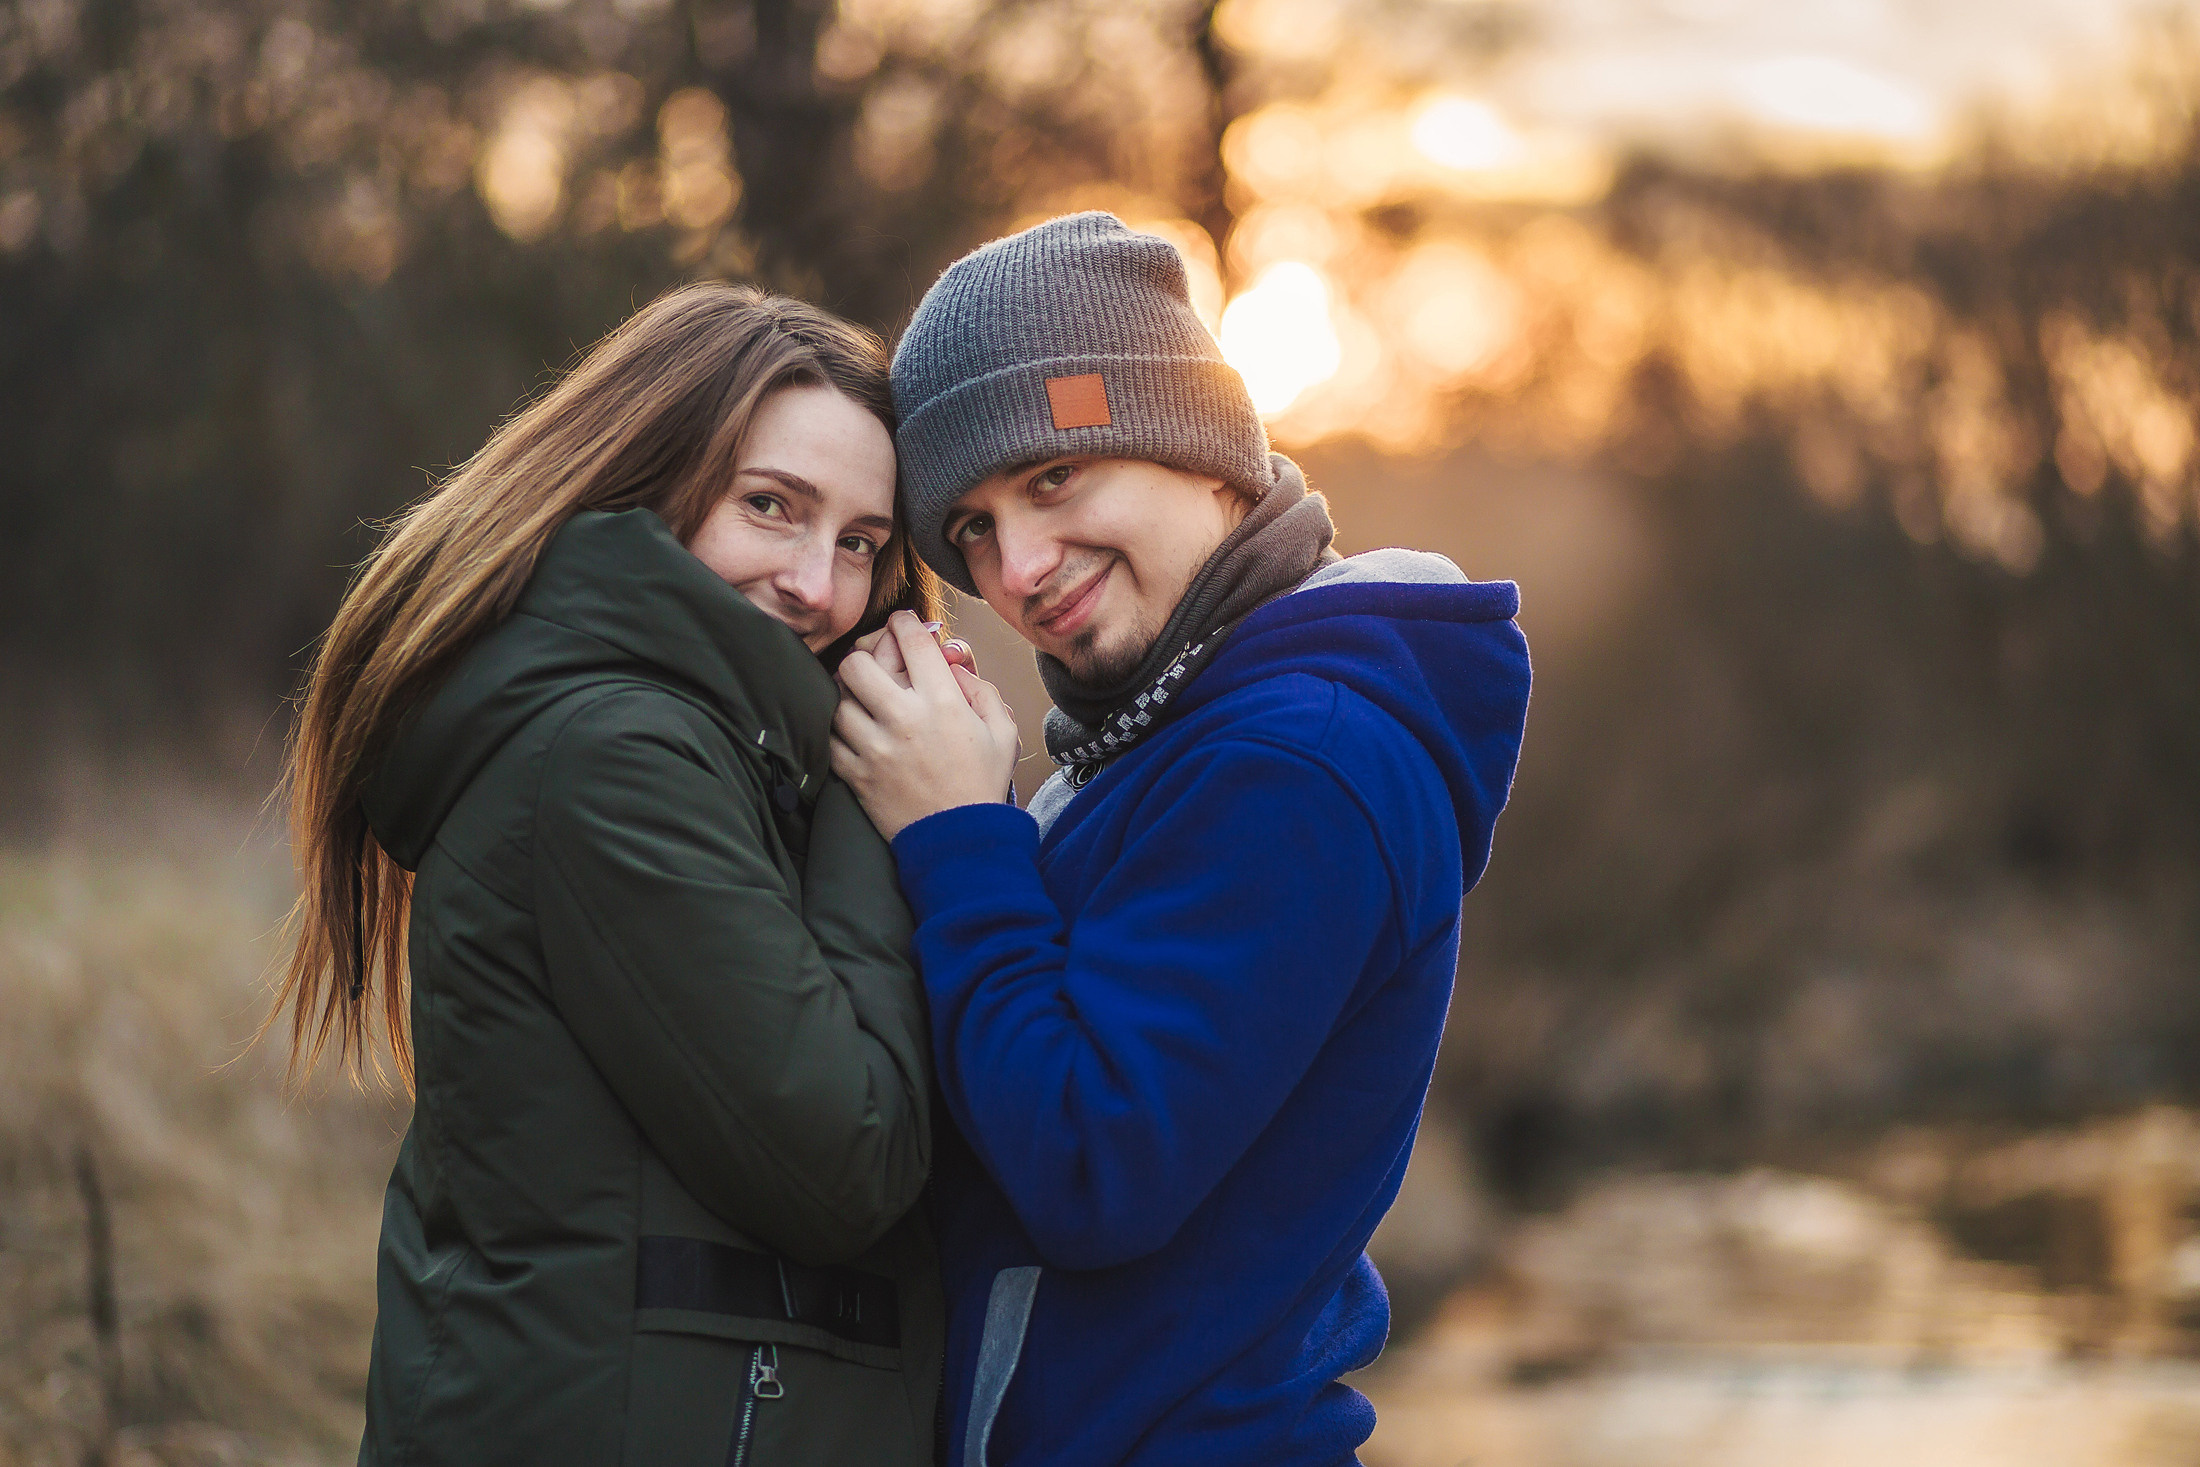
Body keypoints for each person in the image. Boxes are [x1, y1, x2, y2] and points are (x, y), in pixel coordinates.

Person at [829, 211, 1533, 1467]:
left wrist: (957, 839)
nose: (1022, 568)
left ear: (1204, 453)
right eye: (973, 529)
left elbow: (1096, 1165)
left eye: (1054, 479)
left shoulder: (1293, 760)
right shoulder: (1153, 743)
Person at [268, 283, 950, 1467]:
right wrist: (887, 800)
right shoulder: (613, 754)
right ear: (643, 476)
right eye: (770, 507)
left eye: (859, 544)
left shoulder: (720, 751)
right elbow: (848, 1158)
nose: (816, 585)